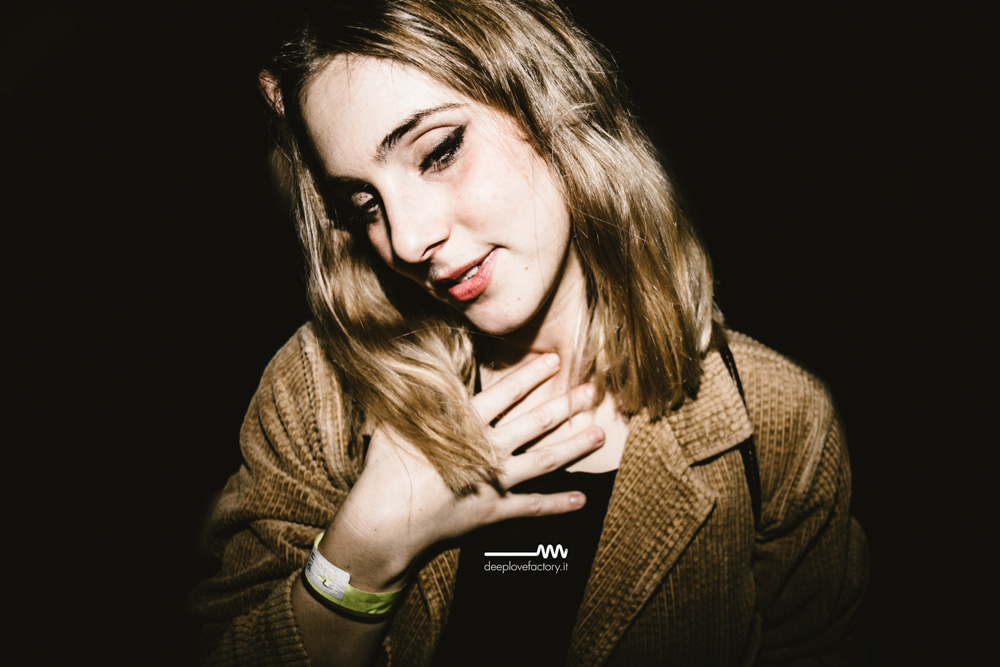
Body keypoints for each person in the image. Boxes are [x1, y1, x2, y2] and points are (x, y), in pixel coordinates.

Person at [191, 1, 868, 664]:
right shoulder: (320, 388)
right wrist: (367, 548)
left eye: (439, 152)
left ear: (550, 101)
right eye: (363, 203)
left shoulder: (777, 423)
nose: (407, 239)